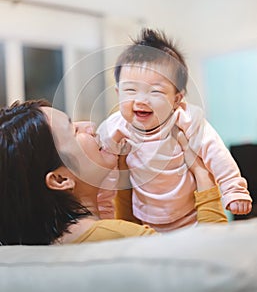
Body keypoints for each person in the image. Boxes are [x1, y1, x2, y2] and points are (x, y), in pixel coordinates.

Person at [0, 99, 227, 245]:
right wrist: (202, 173)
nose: (88, 125)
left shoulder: (48, 243)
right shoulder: (121, 239)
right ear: (60, 179)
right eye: (73, 130)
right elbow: (210, 257)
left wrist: (125, 171)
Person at [97, 28, 252, 232]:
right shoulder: (115, 126)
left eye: (155, 91)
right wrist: (105, 213)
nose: (141, 100)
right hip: (145, 219)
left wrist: (233, 190)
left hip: (190, 216)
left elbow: (216, 152)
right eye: (130, 90)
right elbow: (103, 169)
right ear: (118, 92)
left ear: (176, 99)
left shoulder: (185, 119)